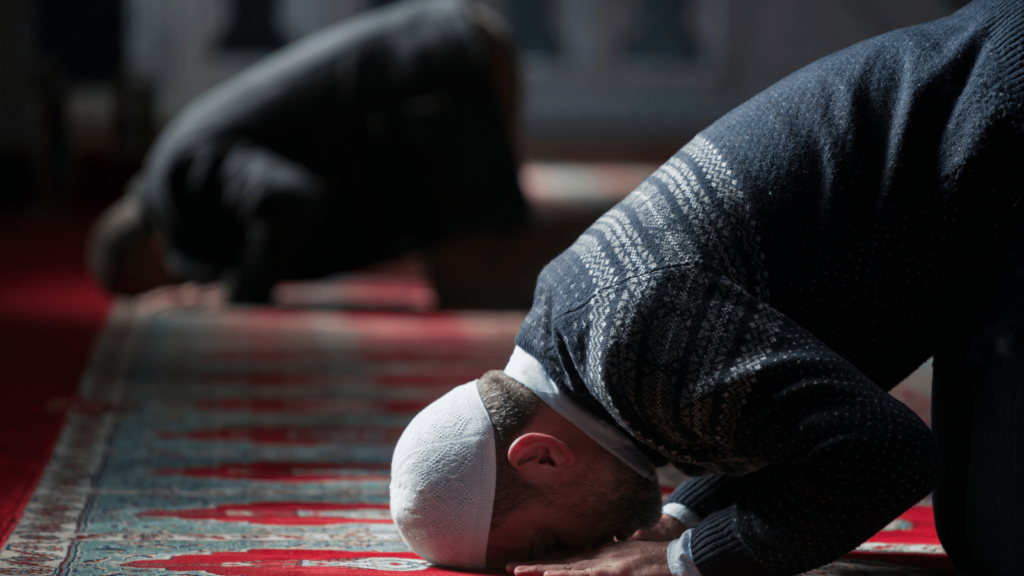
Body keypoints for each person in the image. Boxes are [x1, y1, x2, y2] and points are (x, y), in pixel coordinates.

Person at [389, 0, 1024, 574]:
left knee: (1008, 544)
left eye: (552, 545)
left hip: (1005, 132)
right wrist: (679, 521)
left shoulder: (637, 340)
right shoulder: (578, 332)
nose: (585, 558)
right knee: (972, 533)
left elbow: (886, 455)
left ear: (542, 458)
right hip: (983, 186)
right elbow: (771, 418)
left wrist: (679, 564)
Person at [87, 0, 526, 303]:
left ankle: (592, 255)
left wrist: (240, 293)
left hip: (444, 66)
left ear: (146, 254)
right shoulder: (173, 168)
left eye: (150, 288)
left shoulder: (180, 181)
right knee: (481, 267)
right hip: (453, 45)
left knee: (473, 285)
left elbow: (286, 201)